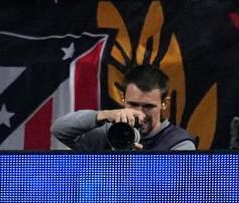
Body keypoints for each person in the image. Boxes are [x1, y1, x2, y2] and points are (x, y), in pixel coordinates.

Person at [52, 64, 196, 151]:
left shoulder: (178, 143)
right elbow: (59, 129)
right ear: (122, 98)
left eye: (148, 106)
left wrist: (138, 163)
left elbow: (173, 192)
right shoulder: (110, 132)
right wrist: (104, 115)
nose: (139, 113)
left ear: (164, 103)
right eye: (133, 104)